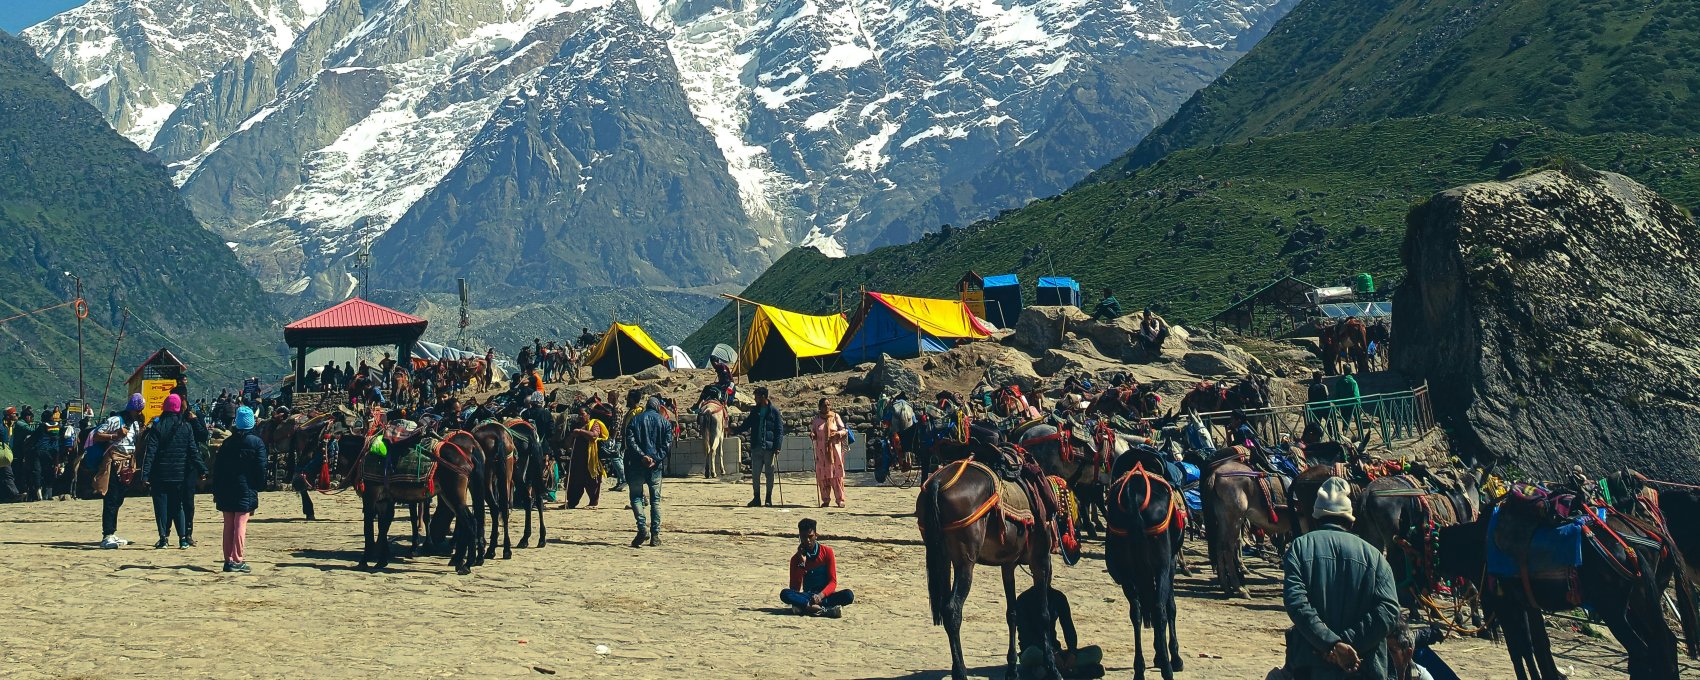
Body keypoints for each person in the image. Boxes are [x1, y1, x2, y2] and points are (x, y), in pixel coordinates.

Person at [1280, 477, 1400, 680]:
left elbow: (1297, 603)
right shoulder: (1375, 556)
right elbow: (1388, 611)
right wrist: (1346, 644)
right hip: (1363, 669)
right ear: (1350, 521)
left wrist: (1332, 645)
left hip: (1311, 667)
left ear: (1316, 518)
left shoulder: (1299, 548)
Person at [142, 394, 207, 549]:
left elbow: (150, 452)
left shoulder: (157, 427)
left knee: (161, 506)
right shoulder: (186, 427)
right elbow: (193, 451)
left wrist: (145, 474)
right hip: (180, 474)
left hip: (160, 474)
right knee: (178, 506)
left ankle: (163, 539)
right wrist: (202, 469)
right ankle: (183, 539)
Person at [214, 406, 267, 573]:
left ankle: (227, 560)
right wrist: (258, 486)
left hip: (226, 488)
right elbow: (261, 468)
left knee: (228, 525)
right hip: (246, 487)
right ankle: (238, 559)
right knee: (240, 524)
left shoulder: (227, 443)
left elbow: (218, 468)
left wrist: (217, 490)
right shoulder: (257, 443)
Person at [1015, 585, 1104, 678]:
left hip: (1057, 653)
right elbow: (1026, 636)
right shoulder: (1024, 599)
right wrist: (1051, 653)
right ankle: (1072, 671)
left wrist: (1072, 652)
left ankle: (1054, 669)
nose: (1045, 574)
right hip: (1036, 651)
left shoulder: (1057, 597)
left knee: (1096, 652)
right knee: (1031, 654)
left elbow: (1068, 627)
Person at [94, 395, 146, 548]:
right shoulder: (116, 420)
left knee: (119, 498)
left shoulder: (135, 424)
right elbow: (97, 435)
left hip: (127, 462)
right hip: (114, 461)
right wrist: (115, 435)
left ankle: (112, 532)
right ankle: (107, 534)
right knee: (111, 497)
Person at [624, 396, 672, 547]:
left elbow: (630, 441)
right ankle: (655, 535)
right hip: (655, 467)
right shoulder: (665, 422)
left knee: (636, 497)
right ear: (658, 407)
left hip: (636, 464)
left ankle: (642, 527)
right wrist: (654, 458)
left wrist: (643, 456)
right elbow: (666, 445)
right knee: (655, 501)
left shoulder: (635, 420)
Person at [781, 518, 853, 617]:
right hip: (808, 597)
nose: (807, 541)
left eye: (810, 537)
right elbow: (794, 589)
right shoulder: (795, 559)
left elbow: (833, 582)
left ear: (816, 536)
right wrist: (801, 564)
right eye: (803, 537)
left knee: (848, 595)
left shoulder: (827, 552)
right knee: (785, 594)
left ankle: (806, 608)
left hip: (825, 595)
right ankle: (821, 609)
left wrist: (820, 596)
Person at [731, 386, 784, 507]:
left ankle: (768, 499)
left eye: (757, 396)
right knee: (755, 475)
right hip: (756, 446)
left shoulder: (774, 412)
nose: (755, 399)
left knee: (769, 474)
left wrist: (778, 446)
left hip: (769, 448)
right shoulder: (755, 411)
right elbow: (746, 424)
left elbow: (779, 430)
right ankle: (756, 498)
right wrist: (734, 431)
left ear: (763, 397)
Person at [563, 408, 609, 508]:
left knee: (592, 481)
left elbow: (594, 435)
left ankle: (593, 502)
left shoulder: (594, 424)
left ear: (588, 415)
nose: (580, 416)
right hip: (577, 458)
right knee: (575, 481)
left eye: (582, 414)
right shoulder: (576, 426)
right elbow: (567, 443)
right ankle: (572, 502)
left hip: (591, 458)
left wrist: (580, 431)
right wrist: (572, 435)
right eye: (579, 414)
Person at [809, 398, 847, 508]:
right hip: (821, 453)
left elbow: (844, 430)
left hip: (834, 452)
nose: (827, 407)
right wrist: (812, 435)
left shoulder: (835, 417)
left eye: (828, 405)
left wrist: (837, 434)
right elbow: (814, 432)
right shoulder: (816, 420)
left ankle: (840, 499)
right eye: (824, 405)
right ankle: (825, 499)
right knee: (823, 476)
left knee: (836, 476)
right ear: (820, 407)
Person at [0, 407, 22, 502]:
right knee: (8, 474)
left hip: (7, 454)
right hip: (2, 454)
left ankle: (8, 496)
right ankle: (15, 494)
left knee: (5, 475)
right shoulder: (1, 426)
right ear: (8, 416)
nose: (16, 415)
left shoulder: (11, 426)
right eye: (14, 414)